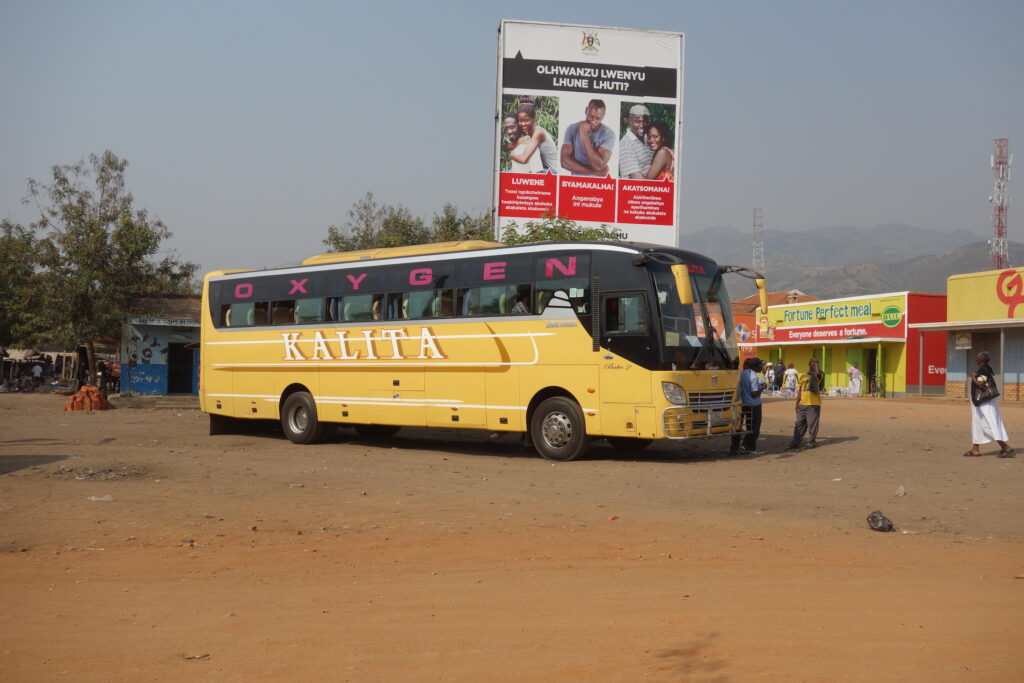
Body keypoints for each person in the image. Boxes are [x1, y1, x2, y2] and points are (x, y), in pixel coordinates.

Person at [964, 351, 1014, 457]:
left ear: (982, 360)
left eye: (978, 358)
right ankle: (975, 449)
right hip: (980, 402)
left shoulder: (983, 370)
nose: (976, 359)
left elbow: (981, 385)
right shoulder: (986, 368)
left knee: (990, 424)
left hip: (985, 402)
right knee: (977, 423)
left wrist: (973, 376)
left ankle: (1005, 447)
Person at [560, 99, 615, 176]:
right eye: (590, 116)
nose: (593, 121)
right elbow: (564, 162)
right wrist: (596, 172)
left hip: (598, 184)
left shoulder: (609, 134)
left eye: (597, 118)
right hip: (575, 182)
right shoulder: (572, 128)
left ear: (603, 116)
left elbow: (598, 165)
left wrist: (584, 134)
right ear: (586, 110)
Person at [730, 357, 767, 455]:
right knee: (754, 428)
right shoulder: (753, 375)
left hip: (745, 404)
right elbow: (754, 393)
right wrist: (763, 387)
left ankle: (742, 447)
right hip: (754, 405)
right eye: (760, 365)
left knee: (747, 427)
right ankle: (750, 448)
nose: (761, 367)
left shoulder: (742, 373)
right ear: (756, 366)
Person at [787, 358, 825, 450]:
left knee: (812, 424)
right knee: (799, 424)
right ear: (808, 365)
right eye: (812, 364)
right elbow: (800, 390)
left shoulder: (819, 375)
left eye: (815, 364)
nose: (814, 365)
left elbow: (818, 374)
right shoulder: (803, 375)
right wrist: (797, 403)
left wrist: (816, 364)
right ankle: (795, 443)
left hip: (813, 404)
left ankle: (811, 442)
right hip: (803, 403)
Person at [511, 102, 559, 173]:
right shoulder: (528, 133)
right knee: (511, 171)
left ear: (533, 118)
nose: (522, 124)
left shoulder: (538, 132)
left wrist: (512, 155)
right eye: (520, 121)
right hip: (546, 169)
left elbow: (523, 159)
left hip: (554, 172)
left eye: (526, 120)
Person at [618, 104, 654, 178]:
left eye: (645, 121)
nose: (642, 125)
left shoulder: (649, 138)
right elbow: (638, 181)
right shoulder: (626, 145)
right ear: (629, 121)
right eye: (637, 121)